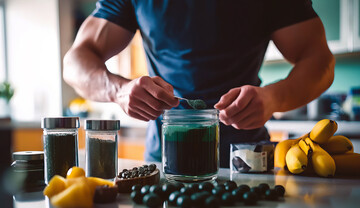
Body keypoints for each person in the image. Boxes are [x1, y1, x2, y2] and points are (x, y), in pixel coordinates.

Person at [63, 0, 335, 168]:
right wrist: (119, 90)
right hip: (165, 161)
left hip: (244, 161)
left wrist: (274, 98)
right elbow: (75, 62)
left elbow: (320, 60)